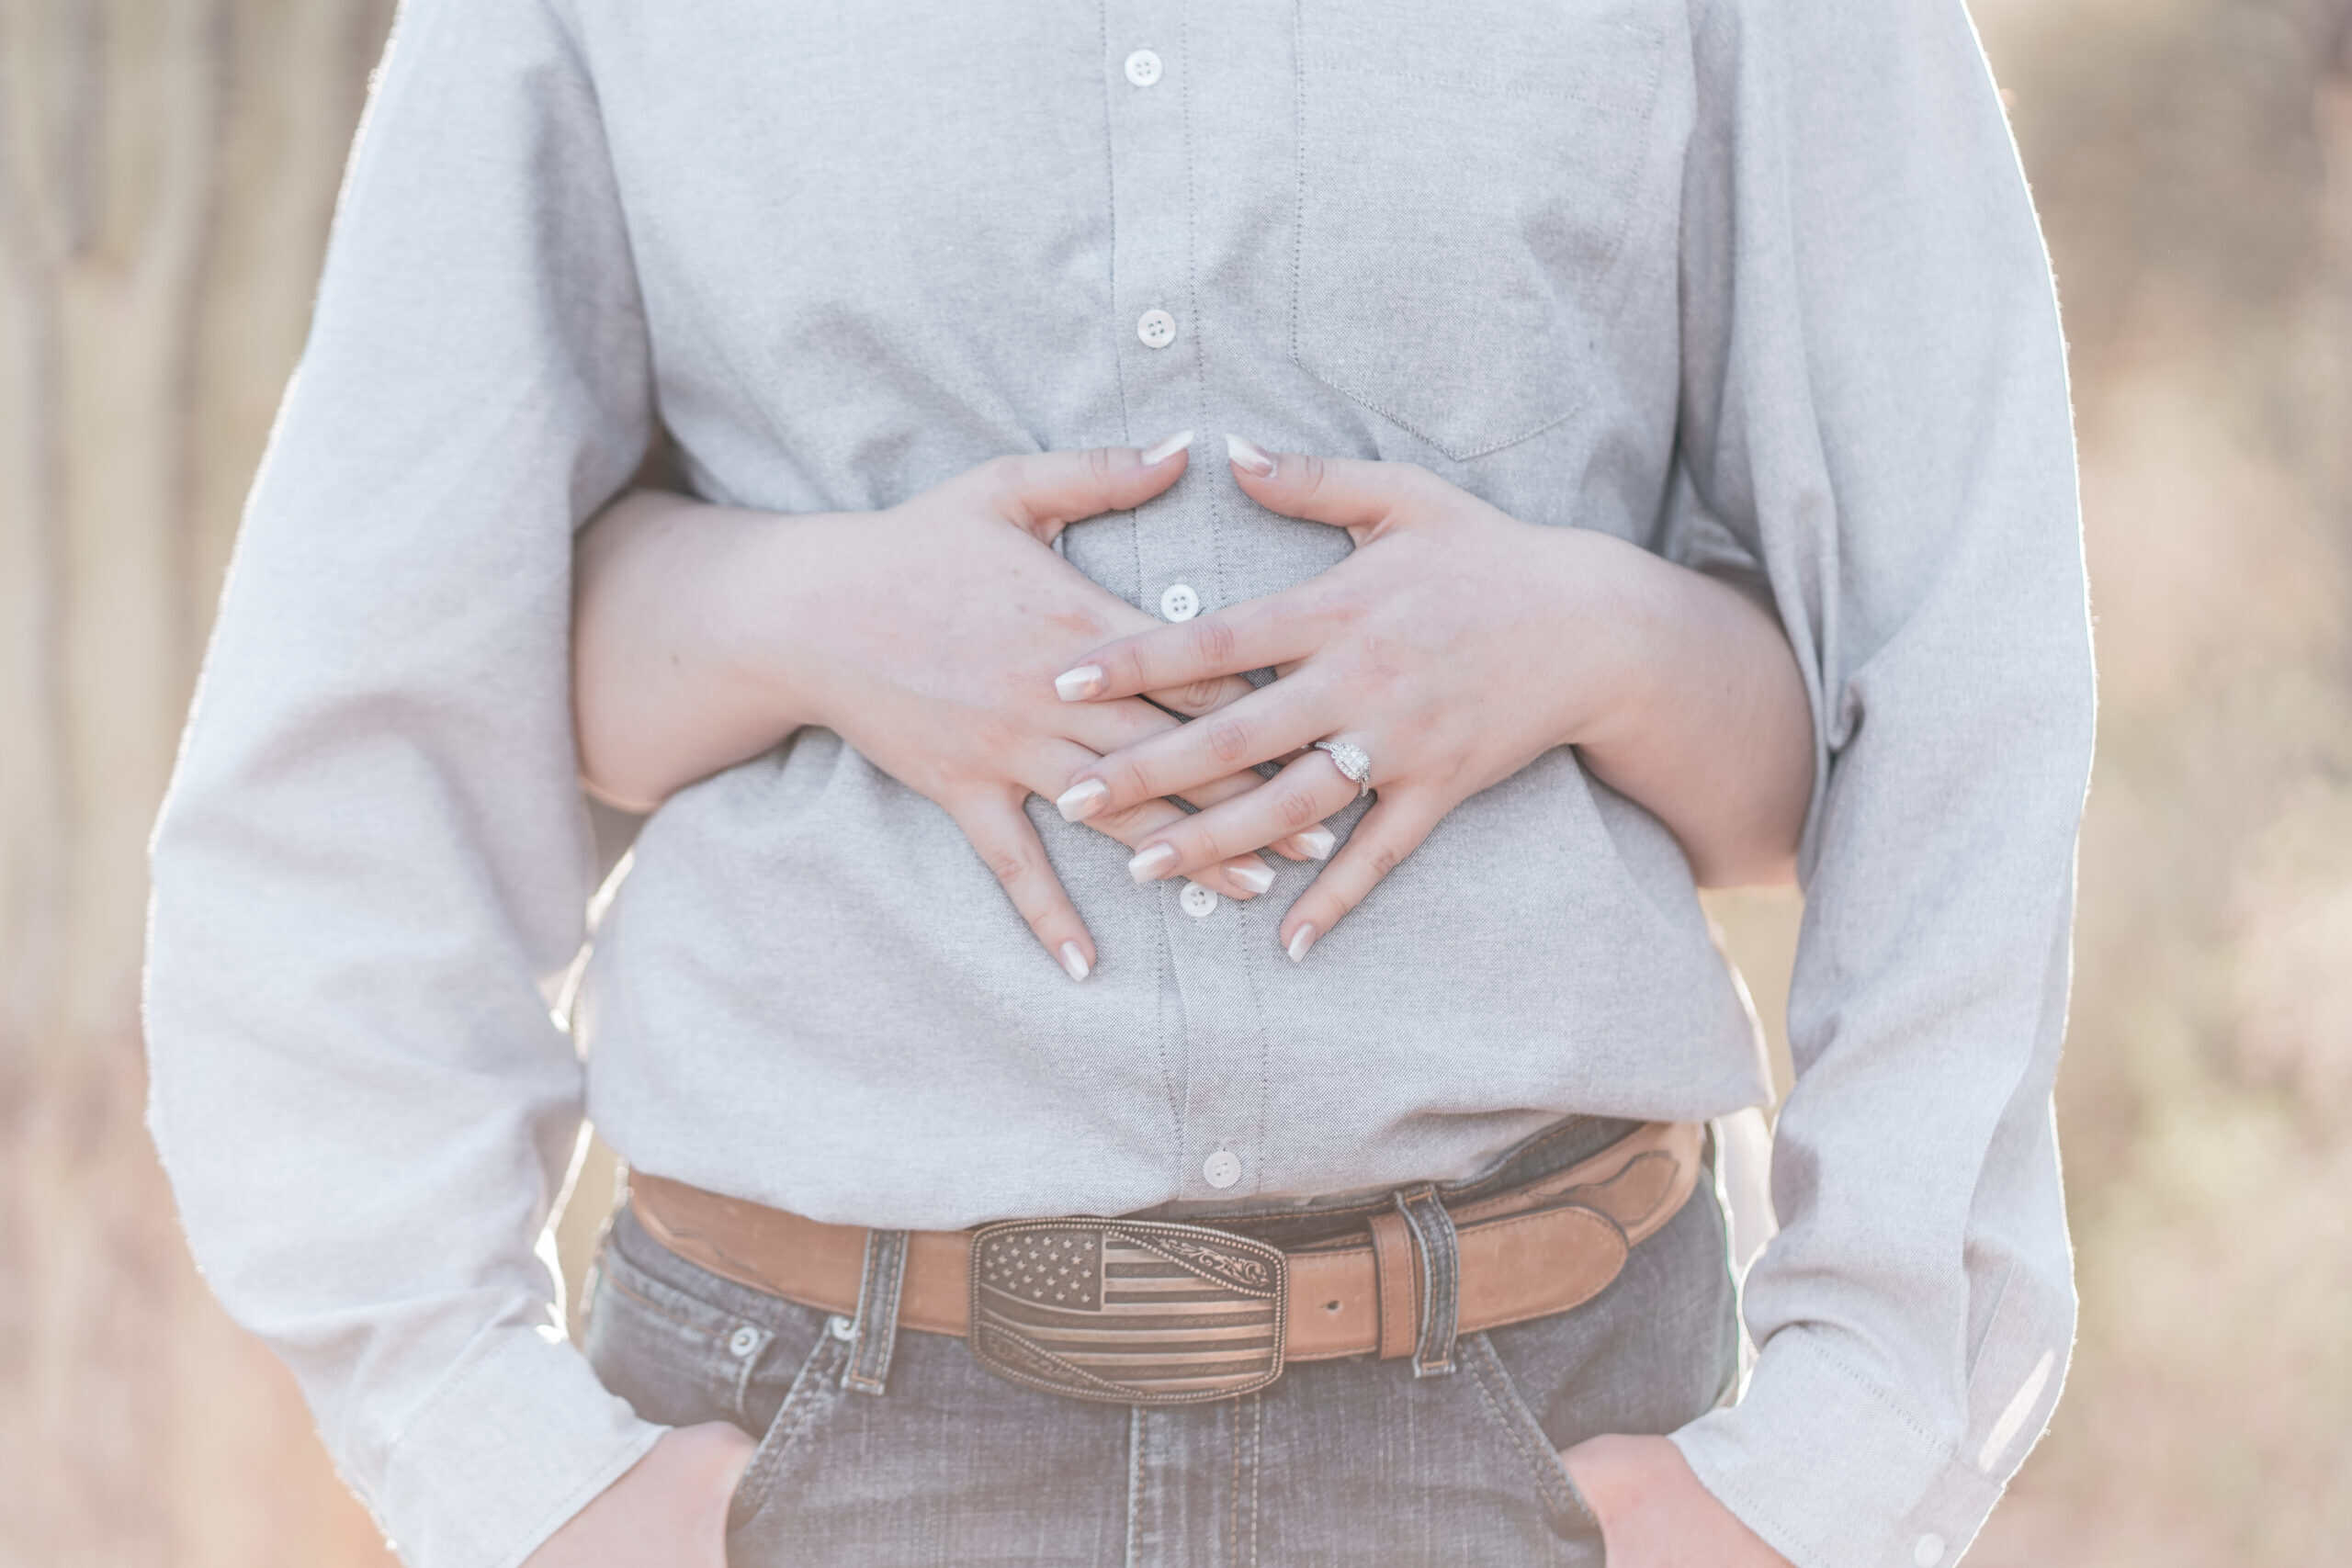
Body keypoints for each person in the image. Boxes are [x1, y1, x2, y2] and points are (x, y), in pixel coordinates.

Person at [141, 5, 2096, 1568]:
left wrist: (1843, 1452)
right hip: (789, 1438)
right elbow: (377, 683)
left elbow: (1948, 639)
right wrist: (493, 1454)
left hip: (1549, 1418)